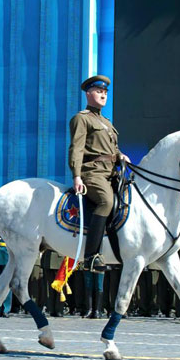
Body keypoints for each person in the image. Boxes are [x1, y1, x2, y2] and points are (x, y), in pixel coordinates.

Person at [68, 75, 130, 271]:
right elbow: (76, 148)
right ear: (88, 94)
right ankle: (92, 256)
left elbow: (112, 148)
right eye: (98, 91)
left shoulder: (106, 121)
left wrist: (120, 155)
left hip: (111, 173)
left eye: (105, 92)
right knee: (106, 201)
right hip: (92, 172)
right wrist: (77, 175)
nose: (103, 94)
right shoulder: (81, 118)